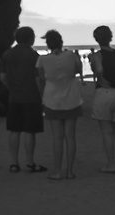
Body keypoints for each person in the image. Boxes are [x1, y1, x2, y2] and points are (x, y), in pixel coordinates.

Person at [36, 30, 83, 179]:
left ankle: (57, 170)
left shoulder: (42, 60)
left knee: (57, 137)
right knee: (70, 137)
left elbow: (41, 78)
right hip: (72, 98)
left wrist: (42, 94)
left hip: (52, 99)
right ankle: (69, 170)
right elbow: (78, 70)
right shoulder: (71, 56)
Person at [86, 26, 115, 172]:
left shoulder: (97, 55)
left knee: (106, 131)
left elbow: (98, 69)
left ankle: (111, 164)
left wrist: (100, 76)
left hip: (104, 92)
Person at [1, 26, 45, 173]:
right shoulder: (34, 55)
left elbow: (2, 77)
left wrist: (11, 87)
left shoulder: (8, 54)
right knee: (30, 131)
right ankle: (30, 161)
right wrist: (42, 95)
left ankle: (14, 163)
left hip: (14, 97)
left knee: (14, 130)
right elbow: (39, 78)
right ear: (30, 39)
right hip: (31, 96)